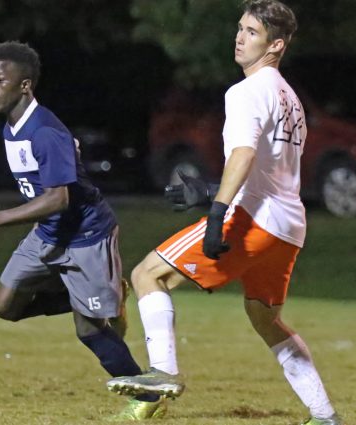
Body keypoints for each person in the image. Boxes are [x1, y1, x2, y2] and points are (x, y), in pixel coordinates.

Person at [106, 2, 342, 424]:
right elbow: (273, 169)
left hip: (253, 220)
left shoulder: (246, 91)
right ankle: (324, 415)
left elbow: (245, 154)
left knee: (147, 275)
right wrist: (210, 190)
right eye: (240, 29)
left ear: (276, 45)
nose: (239, 37)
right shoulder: (291, 99)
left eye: (251, 32)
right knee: (266, 318)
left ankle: (164, 375)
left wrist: (217, 213)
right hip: (288, 226)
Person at [0, 41, 165, 420]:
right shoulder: (13, 126)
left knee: (88, 331)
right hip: (48, 235)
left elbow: (58, 199)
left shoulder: (44, 131)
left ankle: (147, 398)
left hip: (86, 237)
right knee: (5, 305)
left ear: (25, 85)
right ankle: (105, 293)